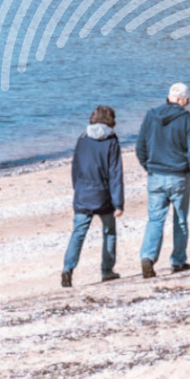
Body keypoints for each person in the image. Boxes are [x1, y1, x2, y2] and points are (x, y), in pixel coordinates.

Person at [136, 82, 190, 278]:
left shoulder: (151, 115)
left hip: (156, 175)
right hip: (179, 175)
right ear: (181, 99)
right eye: (187, 99)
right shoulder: (188, 120)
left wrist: (149, 166)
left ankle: (148, 257)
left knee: (155, 219)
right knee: (180, 220)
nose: (188, 102)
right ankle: (178, 261)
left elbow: (140, 147)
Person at [61, 105, 124, 287]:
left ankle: (67, 269)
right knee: (109, 232)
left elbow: (75, 168)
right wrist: (119, 203)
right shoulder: (111, 141)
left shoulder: (82, 139)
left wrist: (77, 189)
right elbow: (115, 174)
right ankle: (107, 270)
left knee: (78, 234)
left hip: (83, 194)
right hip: (104, 195)